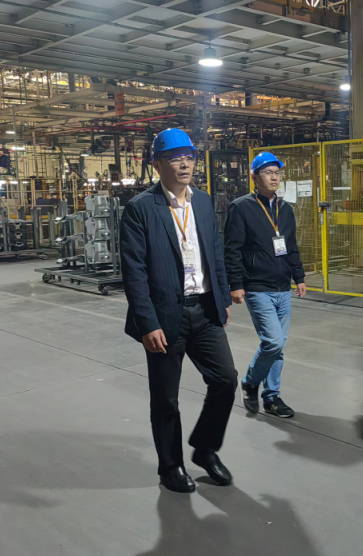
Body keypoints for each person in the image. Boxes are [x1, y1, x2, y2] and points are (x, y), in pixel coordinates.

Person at [120, 128, 238, 493]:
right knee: (166, 399)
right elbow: (134, 272)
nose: (185, 163)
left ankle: (204, 448)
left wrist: (221, 299)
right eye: (175, 158)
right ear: (157, 165)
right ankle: (170, 467)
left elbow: (215, 253)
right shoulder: (141, 208)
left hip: (205, 310)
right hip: (164, 317)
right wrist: (147, 323)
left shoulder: (202, 202)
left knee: (225, 379)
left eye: (189, 156)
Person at [224, 151, 306, 419]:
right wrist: (235, 284)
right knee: (273, 341)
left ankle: (271, 397)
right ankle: (250, 382)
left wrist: (299, 276)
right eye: (268, 172)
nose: (274, 177)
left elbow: (291, 246)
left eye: (277, 172)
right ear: (254, 177)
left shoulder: (286, 209)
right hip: (257, 287)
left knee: (278, 347)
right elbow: (232, 250)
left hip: (283, 287)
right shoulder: (241, 208)